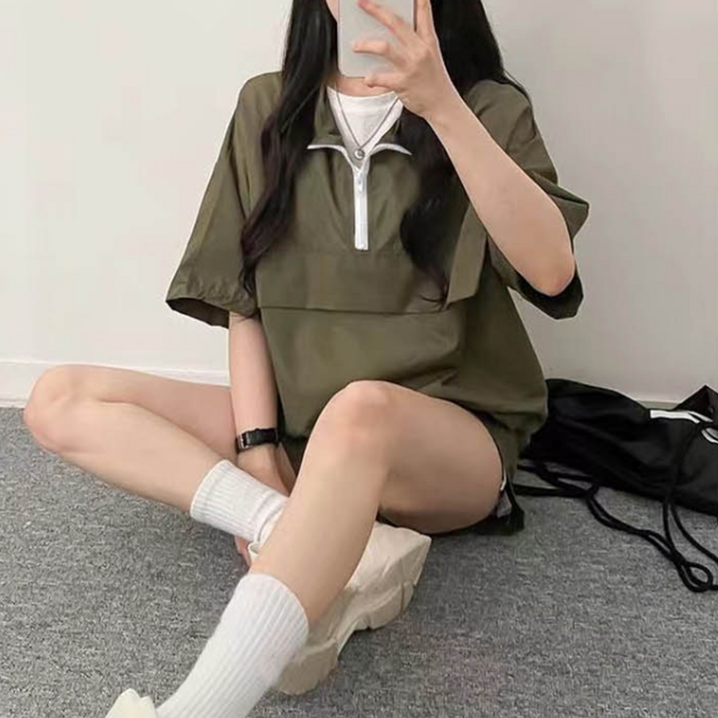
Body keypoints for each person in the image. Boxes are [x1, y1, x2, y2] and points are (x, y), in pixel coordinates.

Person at [22, 0, 591, 716]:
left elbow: (551, 271)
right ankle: (295, 527)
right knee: (61, 398)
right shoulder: (268, 107)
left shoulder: (486, 108)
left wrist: (443, 107)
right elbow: (245, 302)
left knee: (360, 410)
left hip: (450, 446)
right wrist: (258, 449)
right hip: (302, 426)